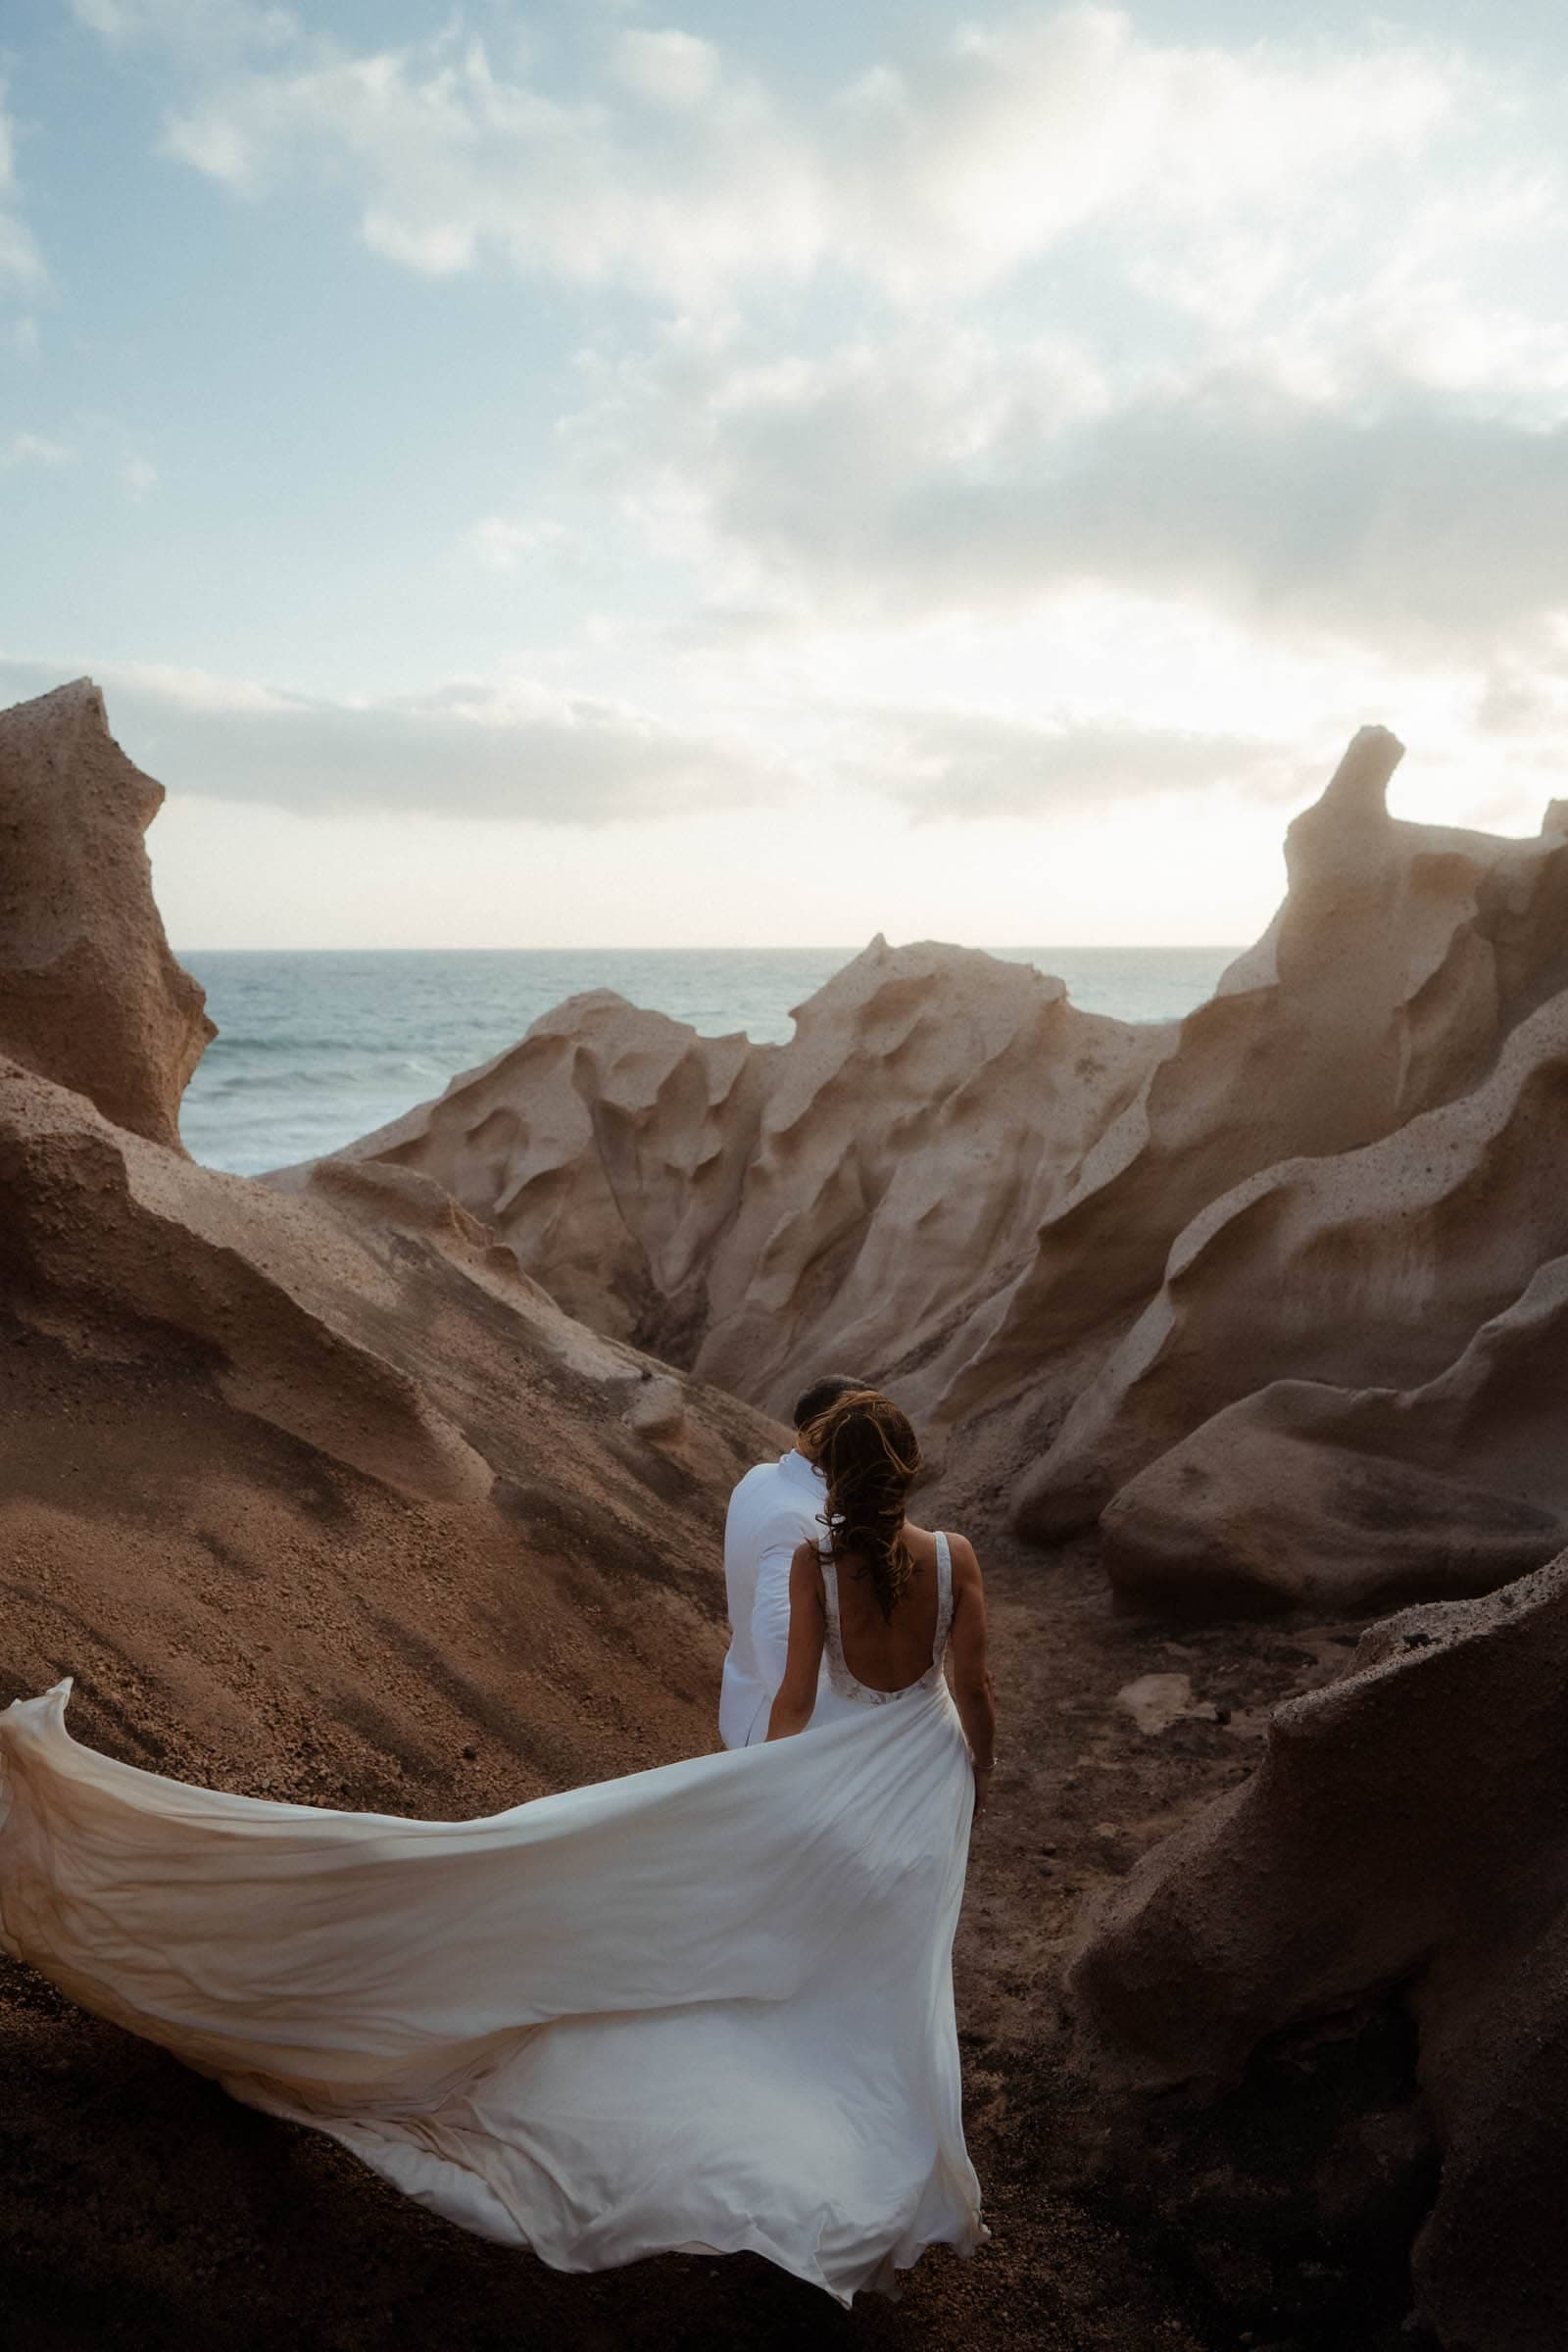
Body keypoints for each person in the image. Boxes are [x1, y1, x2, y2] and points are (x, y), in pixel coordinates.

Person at [0, 1389, 995, 2304]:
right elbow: (975, 1697)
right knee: (884, 1979)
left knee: (785, 1965)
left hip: (823, 1785)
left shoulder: (813, 1562)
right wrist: (971, 1789)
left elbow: (791, 1700)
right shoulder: (954, 1559)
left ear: (833, 1472)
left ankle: (791, 2136)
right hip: (920, 1794)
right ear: (906, 1474)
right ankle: (872, 2154)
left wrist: (752, 1802)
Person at [719, 1369, 869, 1749]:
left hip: (746, 1698)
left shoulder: (760, 1477)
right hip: (781, 1731)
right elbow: (777, 1637)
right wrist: (828, 1725)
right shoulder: (800, 1518)